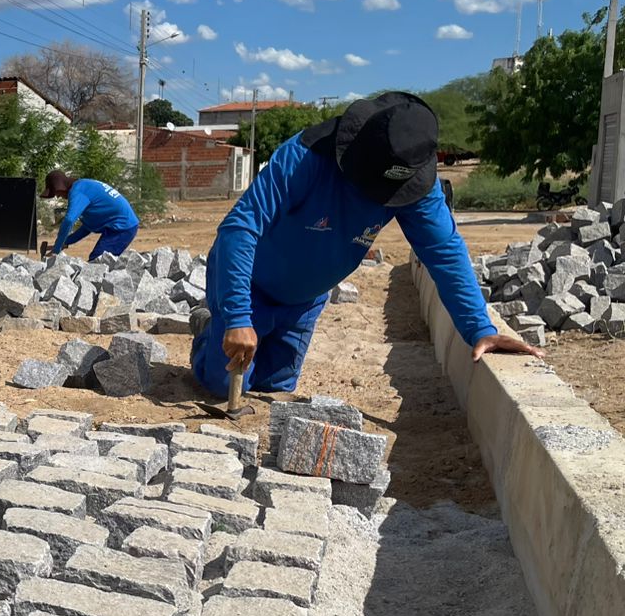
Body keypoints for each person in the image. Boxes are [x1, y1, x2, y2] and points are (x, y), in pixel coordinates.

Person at [190, 91, 540, 398]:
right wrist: (236, 316)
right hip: (249, 284)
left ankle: (243, 333)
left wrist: (480, 328)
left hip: (303, 300)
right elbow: (240, 227)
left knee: (275, 385)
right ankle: (211, 327)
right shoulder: (306, 156)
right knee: (223, 387)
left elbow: (444, 252)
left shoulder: (415, 178)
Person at [43, 169, 140, 259]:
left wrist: (56, 249)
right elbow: (86, 228)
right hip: (123, 226)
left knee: (98, 260)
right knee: (99, 260)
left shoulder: (78, 192)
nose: (58, 196)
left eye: (56, 193)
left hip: (122, 227)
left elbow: (69, 220)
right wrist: (65, 242)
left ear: (60, 187)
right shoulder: (83, 186)